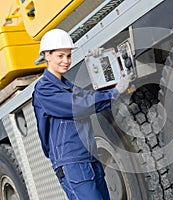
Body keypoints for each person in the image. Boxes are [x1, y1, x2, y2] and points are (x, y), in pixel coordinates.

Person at [32, 28, 129, 200]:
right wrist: (113, 93)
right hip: (71, 162)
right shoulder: (44, 89)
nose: (66, 61)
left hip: (89, 157)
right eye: (60, 56)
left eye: (68, 56)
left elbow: (92, 99)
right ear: (47, 55)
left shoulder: (67, 86)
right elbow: (80, 106)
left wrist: (101, 62)